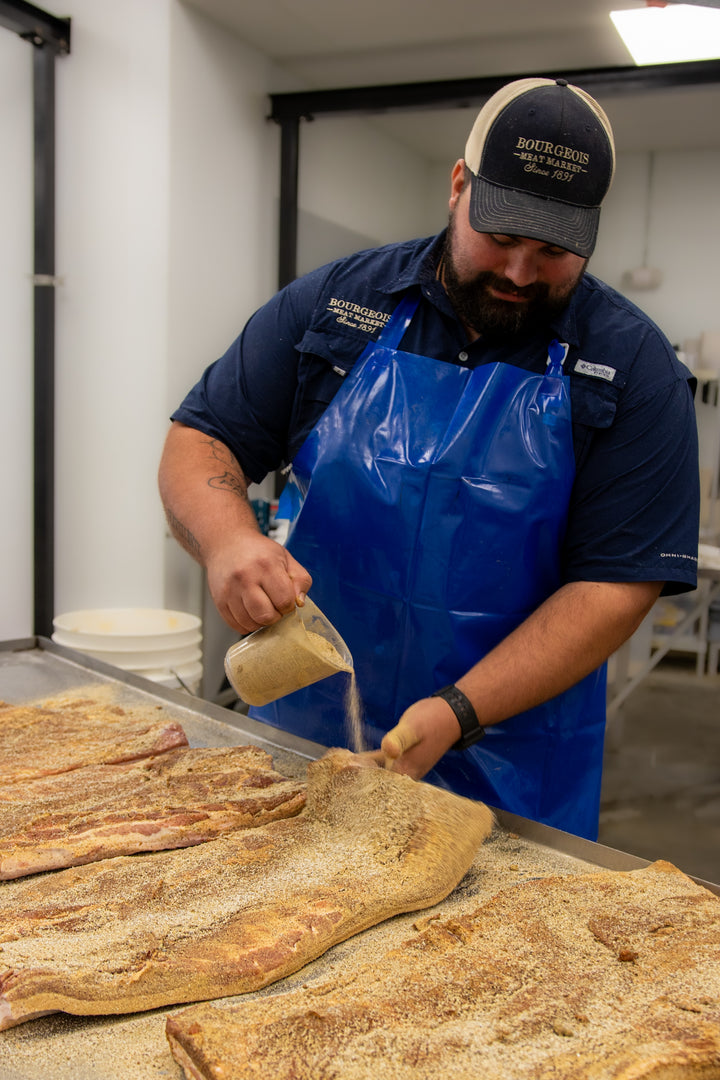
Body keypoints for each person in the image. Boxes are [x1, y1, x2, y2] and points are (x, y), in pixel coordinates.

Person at [158, 77, 699, 841]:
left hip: (508, 767)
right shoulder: (341, 305)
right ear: (458, 187)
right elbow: (200, 440)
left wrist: (461, 709)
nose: (518, 273)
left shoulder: (632, 367)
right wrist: (226, 541)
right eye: (501, 236)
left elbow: (617, 585)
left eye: (551, 251)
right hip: (305, 734)